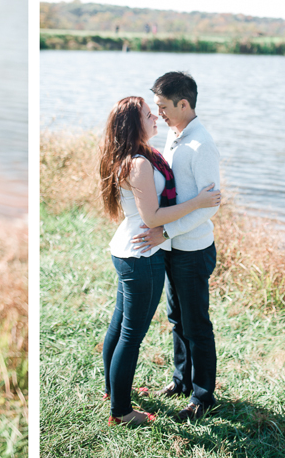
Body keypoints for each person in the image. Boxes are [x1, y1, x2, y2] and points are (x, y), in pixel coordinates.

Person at [99, 96, 221, 426]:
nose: (156, 117)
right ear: (132, 124)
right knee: (129, 336)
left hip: (130, 248)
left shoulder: (136, 155)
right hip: (143, 253)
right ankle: (122, 412)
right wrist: (198, 201)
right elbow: (152, 217)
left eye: (159, 110)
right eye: (149, 113)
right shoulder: (138, 162)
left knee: (120, 327)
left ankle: (114, 392)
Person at [133, 71, 221, 422]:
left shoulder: (203, 145)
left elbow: (211, 204)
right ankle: (181, 380)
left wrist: (166, 232)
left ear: (183, 104)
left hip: (193, 250)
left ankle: (203, 396)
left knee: (196, 324)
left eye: (164, 107)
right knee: (176, 319)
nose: (160, 114)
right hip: (173, 248)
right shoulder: (173, 134)